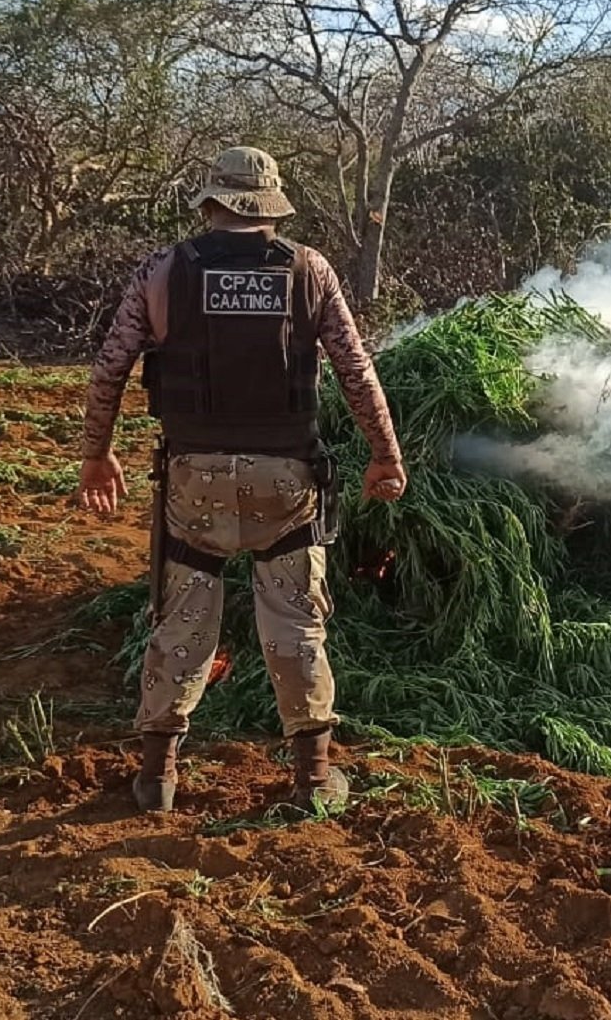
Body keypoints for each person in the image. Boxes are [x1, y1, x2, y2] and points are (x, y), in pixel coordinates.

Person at [76, 146, 406, 815]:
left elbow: (109, 368)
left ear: (211, 203)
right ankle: (313, 779)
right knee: (295, 625)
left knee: (182, 623)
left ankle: (157, 778)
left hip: (192, 481)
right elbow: (356, 372)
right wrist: (386, 456)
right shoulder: (309, 270)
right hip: (286, 482)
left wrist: (97, 454)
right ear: (271, 207)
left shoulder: (162, 271)